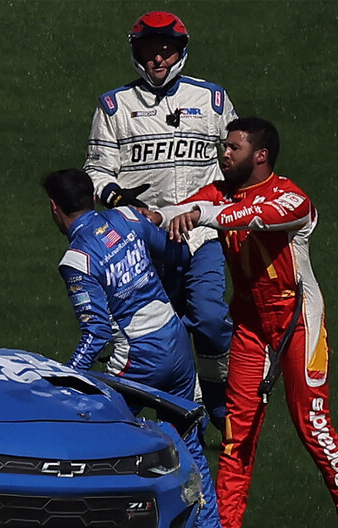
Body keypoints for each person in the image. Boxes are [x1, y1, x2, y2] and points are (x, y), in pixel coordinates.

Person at [150, 117, 338, 528]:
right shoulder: (219, 193)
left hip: (298, 323)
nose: (224, 153)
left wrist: (200, 214)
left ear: (260, 156)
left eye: (233, 147)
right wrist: (157, 216)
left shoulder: (291, 199)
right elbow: (186, 209)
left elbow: (248, 217)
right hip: (251, 326)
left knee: (313, 426)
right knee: (238, 432)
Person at [41, 167, 225, 528]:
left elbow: (96, 334)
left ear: (55, 209)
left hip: (137, 360)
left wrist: (67, 377)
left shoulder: (77, 260)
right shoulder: (128, 217)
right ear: (92, 197)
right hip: (175, 344)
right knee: (190, 444)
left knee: (99, 442)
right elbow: (175, 252)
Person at [83, 10, 236, 429]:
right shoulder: (114, 105)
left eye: (166, 51)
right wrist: (117, 197)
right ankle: (171, 418)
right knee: (154, 335)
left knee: (208, 317)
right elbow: (96, 169)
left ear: (180, 52)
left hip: (201, 233)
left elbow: (234, 161)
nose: (158, 61)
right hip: (142, 241)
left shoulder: (213, 100)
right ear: (137, 53)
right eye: (150, 52)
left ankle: (221, 405)